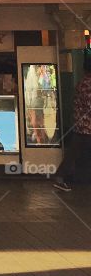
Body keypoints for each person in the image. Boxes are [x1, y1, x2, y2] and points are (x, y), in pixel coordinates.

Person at [54, 56, 91, 192]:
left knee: (74, 153)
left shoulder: (82, 82)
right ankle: (61, 177)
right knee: (74, 153)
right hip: (87, 127)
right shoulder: (88, 84)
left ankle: (60, 177)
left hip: (80, 126)